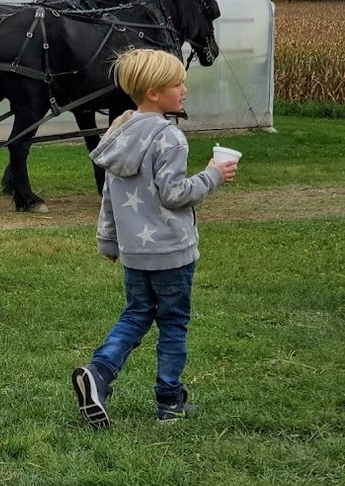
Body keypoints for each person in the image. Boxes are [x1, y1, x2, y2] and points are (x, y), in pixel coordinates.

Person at [71, 48, 237, 428]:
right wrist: (213, 175)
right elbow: (175, 194)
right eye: (177, 84)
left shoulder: (119, 134)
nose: (184, 90)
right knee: (173, 324)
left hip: (134, 253)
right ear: (154, 92)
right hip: (171, 253)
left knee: (136, 314)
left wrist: (108, 241)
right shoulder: (170, 138)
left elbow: (109, 196)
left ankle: (98, 374)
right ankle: (169, 402)